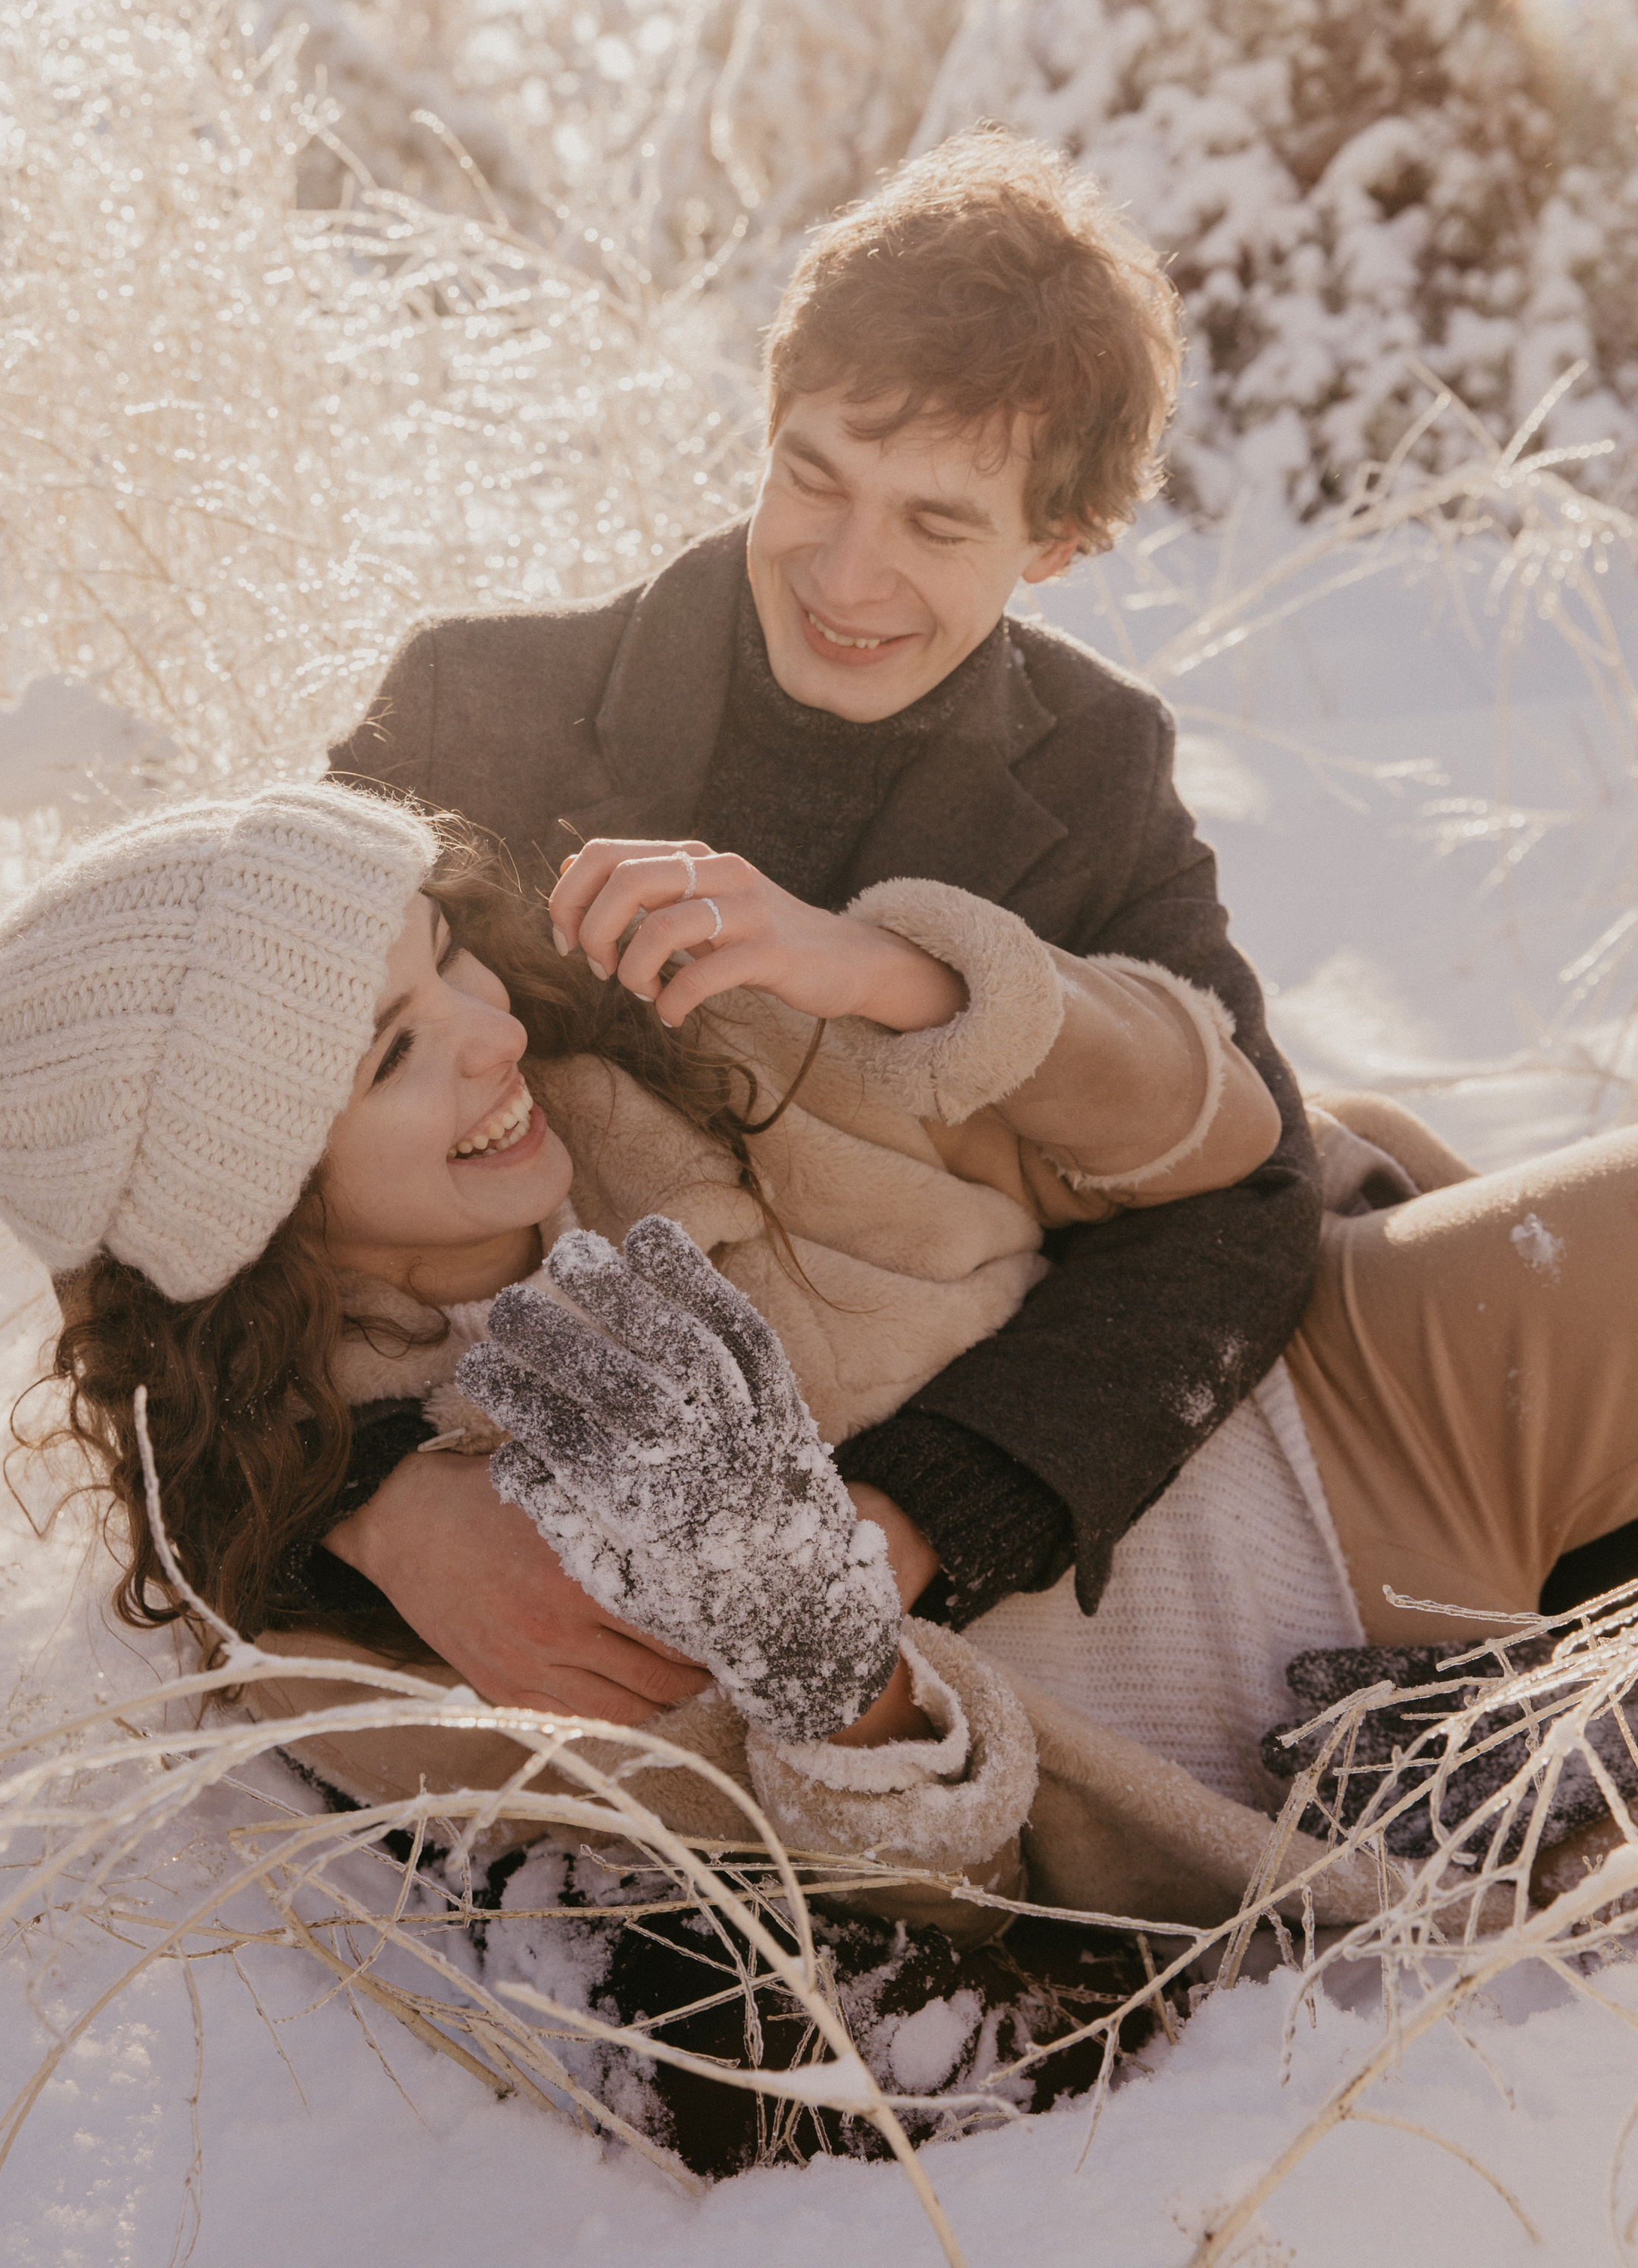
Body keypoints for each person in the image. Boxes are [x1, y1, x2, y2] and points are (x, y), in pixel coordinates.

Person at [0, 781, 1638, 1931]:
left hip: (1342, 1400)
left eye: (450, 953)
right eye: (395, 1051)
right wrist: (822, 1667)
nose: (489, 1031)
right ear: (251, 1204)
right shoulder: (365, 1614)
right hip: (1248, 1743)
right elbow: (896, 1925)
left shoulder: (669, 1055)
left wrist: (912, 977)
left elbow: (1226, 1132)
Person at [326, 128, 1324, 1712]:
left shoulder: (1096, 766)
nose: (847, 576)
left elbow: (1248, 1206)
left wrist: (915, 1515)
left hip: (935, 1533)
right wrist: (371, 1500)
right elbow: (181, 1143)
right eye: (814, 478)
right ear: (768, 421)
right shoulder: (475, 710)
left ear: (1053, 547)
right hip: (547, 1522)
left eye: (937, 526)